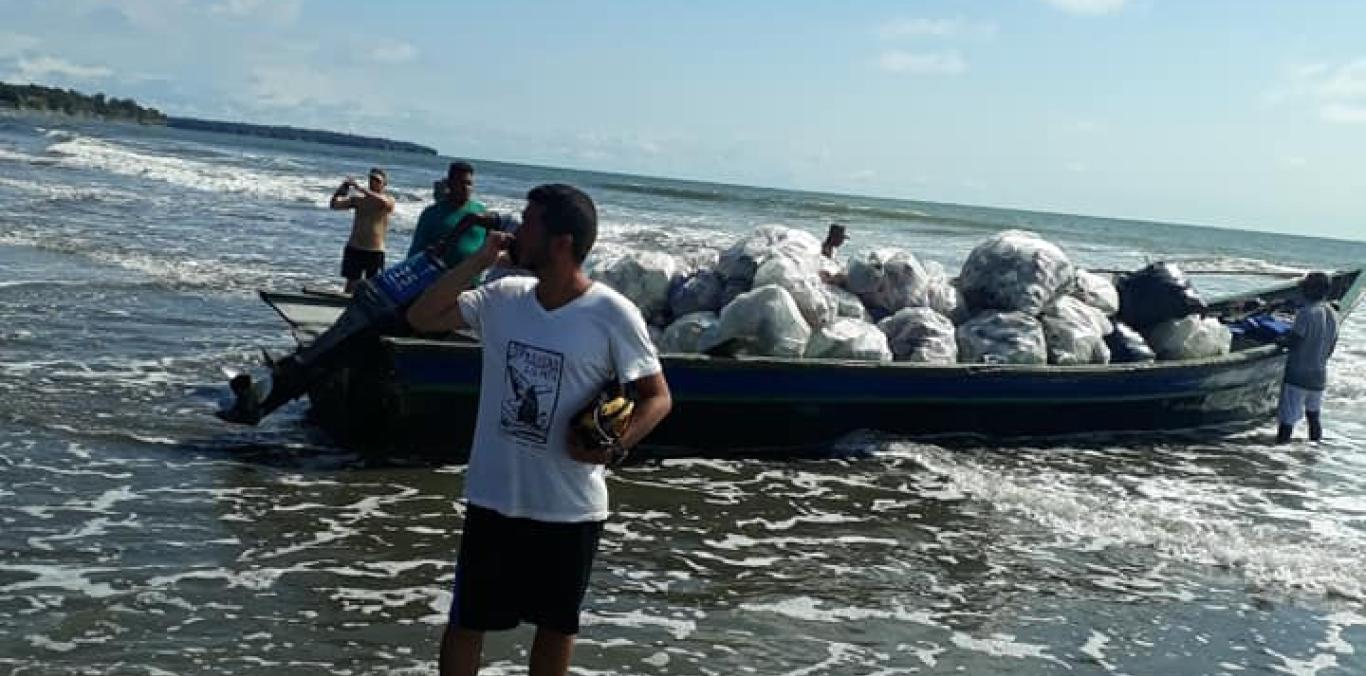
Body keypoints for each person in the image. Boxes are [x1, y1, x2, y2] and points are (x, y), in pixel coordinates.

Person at [407, 184, 673, 676]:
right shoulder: (504, 296)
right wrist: (476, 262)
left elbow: (657, 397)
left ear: (561, 242)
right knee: (466, 622)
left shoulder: (611, 314)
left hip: (569, 508)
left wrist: (615, 445)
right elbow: (421, 316)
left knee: (554, 631)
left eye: (528, 223)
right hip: (494, 498)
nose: (514, 231)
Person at [1276, 271, 1339, 443]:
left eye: (1305, 288)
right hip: (1319, 375)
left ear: (1311, 290)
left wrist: (1280, 340)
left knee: (1287, 420)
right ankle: (1314, 450)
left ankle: (1280, 453)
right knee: (1314, 417)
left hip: (1298, 375)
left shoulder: (1306, 313)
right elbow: (1331, 348)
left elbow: (1294, 341)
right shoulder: (1333, 314)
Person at [409, 161, 488, 268]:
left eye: (469, 183)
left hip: (473, 280)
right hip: (442, 279)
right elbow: (415, 253)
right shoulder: (432, 213)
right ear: (450, 183)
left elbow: (490, 246)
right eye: (461, 183)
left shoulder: (481, 211)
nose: (466, 188)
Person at [330, 167, 396, 294]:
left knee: (372, 287)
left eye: (377, 180)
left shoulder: (388, 200)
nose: (373, 183)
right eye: (371, 179)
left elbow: (383, 202)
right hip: (355, 246)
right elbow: (334, 205)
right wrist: (342, 189)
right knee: (351, 283)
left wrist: (360, 188)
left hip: (374, 250)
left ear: (384, 184)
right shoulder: (359, 200)